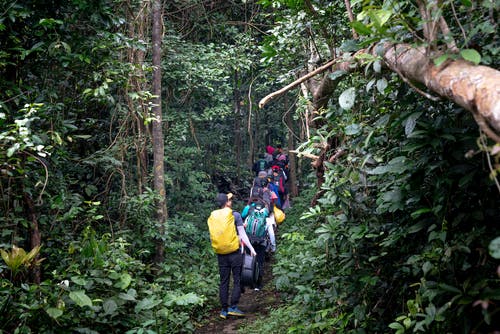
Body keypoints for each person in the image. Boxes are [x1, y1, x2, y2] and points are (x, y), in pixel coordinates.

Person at [207, 193, 256, 319]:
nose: (231, 201)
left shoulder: (213, 216)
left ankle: (223, 310)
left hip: (221, 253)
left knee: (224, 281)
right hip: (234, 252)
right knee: (237, 279)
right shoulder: (235, 215)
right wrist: (251, 249)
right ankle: (233, 307)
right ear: (227, 203)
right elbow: (243, 235)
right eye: (229, 200)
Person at [241, 197, 276, 290]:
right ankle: (258, 285)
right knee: (259, 262)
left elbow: (244, 229)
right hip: (261, 243)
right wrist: (273, 247)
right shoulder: (267, 218)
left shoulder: (250, 216)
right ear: (264, 208)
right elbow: (271, 234)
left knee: (248, 261)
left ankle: (247, 281)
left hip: (249, 242)